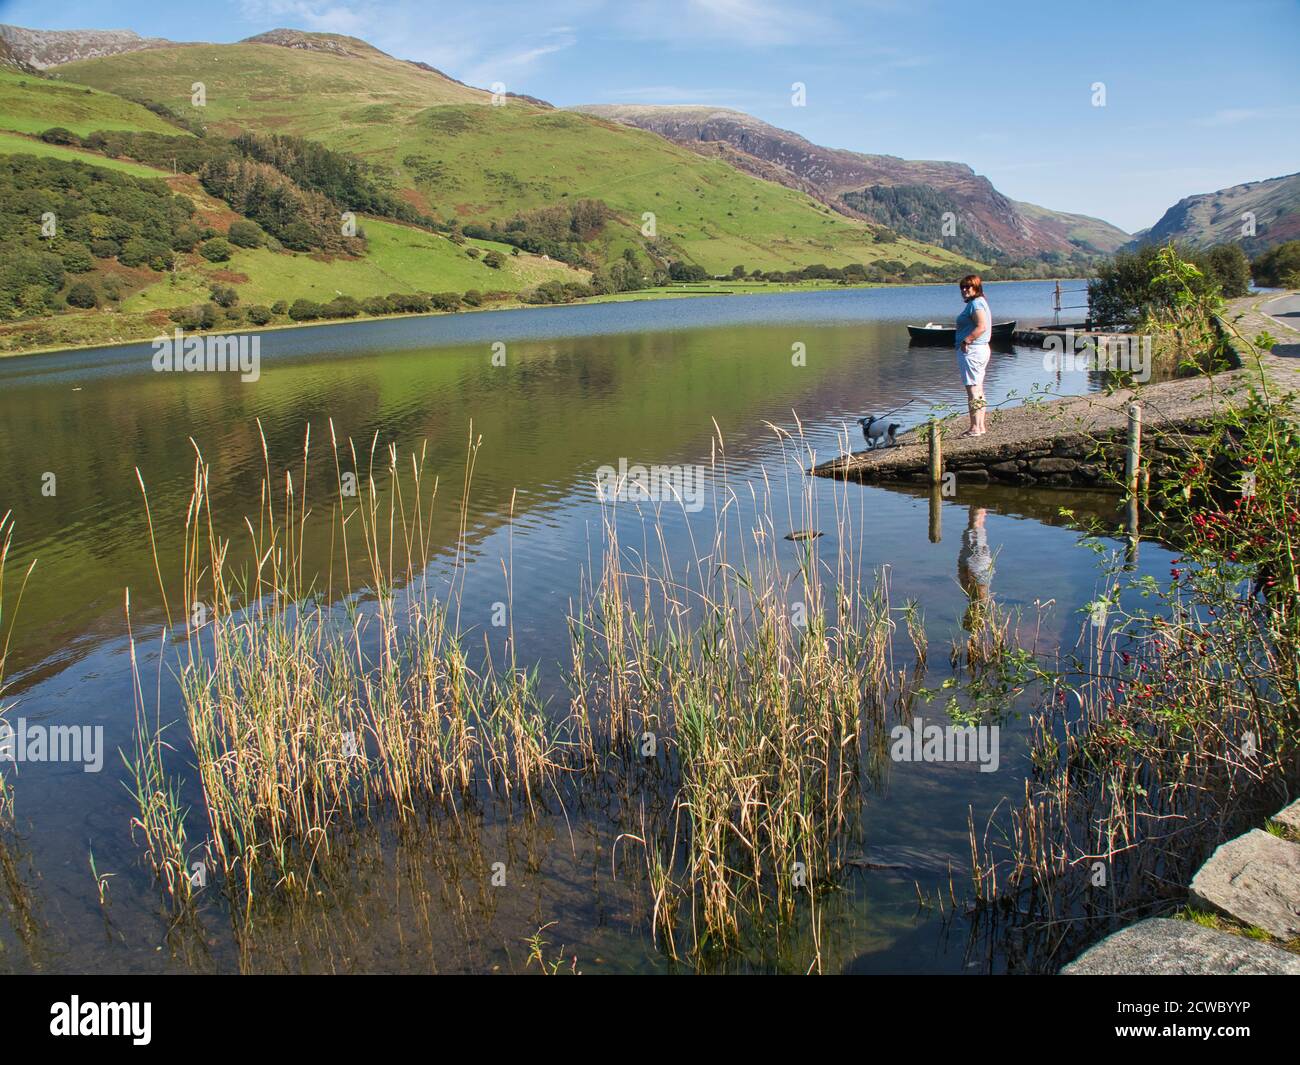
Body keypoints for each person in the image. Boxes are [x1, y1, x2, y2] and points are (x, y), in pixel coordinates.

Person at [955, 274, 992, 436]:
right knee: (978, 388)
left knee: (973, 390)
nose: (964, 290)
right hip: (978, 349)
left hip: (973, 350)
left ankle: (976, 428)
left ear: (976, 287)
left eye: (968, 287)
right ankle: (980, 426)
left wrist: (966, 340)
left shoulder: (976, 304)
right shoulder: (978, 303)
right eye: (962, 287)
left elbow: (981, 326)